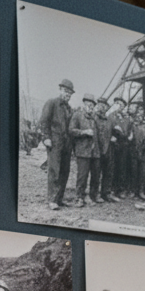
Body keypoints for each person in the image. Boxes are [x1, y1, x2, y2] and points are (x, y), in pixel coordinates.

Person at [39, 78, 74, 209]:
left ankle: (59, 199)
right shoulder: (52, 103)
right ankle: (52, 200)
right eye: (66, 91)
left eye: (70, 93)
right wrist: (46, 137)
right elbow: (44, 122)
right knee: (54, 170)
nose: (68, 95)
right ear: (60, 90)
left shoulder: (69, 109)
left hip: (67, 144)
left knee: (65, 171)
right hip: (55, 143)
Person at [68, 92, 95, 208]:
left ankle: (85, 195)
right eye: (89, 104)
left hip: (92, 151)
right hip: (82, 151)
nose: (91, 106)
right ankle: (78, 197)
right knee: (82, 175)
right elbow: (71, 130)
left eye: (92, 104)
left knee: (89, 175)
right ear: (84, 103)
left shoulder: (93, 118)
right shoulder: (77, 115)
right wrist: (84, 132)